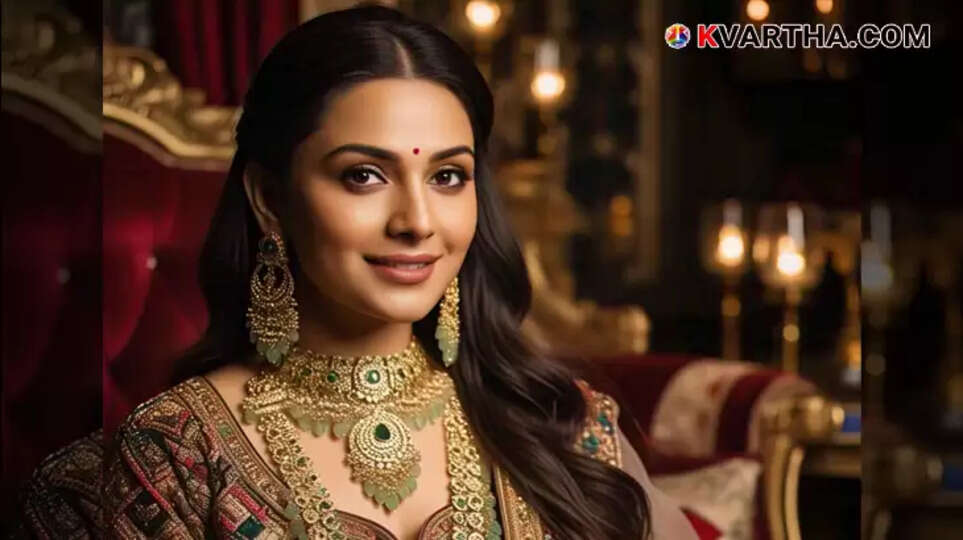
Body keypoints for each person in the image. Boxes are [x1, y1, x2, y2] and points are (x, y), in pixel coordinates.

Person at [19, 5, 699, 539]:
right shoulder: (175, 459)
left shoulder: (560, 427)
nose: (417, 221)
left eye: (447, 176)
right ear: (270, 198)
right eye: (364, 175)